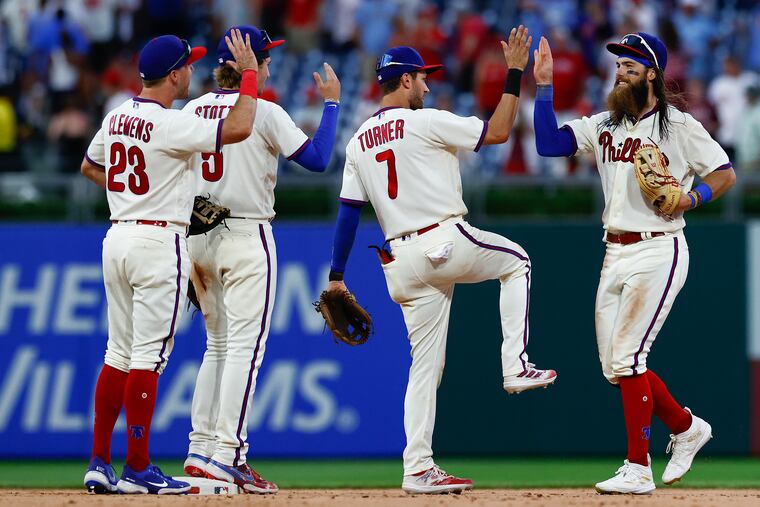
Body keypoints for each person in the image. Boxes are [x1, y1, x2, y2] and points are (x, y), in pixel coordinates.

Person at [328, 26, 557, 495]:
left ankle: (418, 467)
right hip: (442, 241)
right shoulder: (426, 120)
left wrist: (336, 276)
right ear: (407, 80)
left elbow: (348, 213)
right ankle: (515, 364)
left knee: (424, 367)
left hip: (399, 261)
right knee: (518, 261)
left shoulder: (358, 142)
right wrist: (515, 72)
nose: (428, 85)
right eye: (422, 78)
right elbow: (497, 131)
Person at [533, 32, 736, 494]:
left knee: (628, 357)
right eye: (619, 63)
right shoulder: (605, 124)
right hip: (614, 250)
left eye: (630, 64)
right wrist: (544, 87)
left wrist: (690, 197)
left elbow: (724, 173)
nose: (620, 70)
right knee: (615, 366)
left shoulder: (677, 126)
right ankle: (686, 428)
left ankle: (638, 466)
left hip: (658, 246)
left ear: (652, 73)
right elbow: (548, 144)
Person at [79, 29, 259, 495]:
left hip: (117, 237)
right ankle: (138, 467)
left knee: (116, 352)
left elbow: (88, 165)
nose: (193, 72)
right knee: (147, 358)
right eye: (189, 66)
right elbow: (238, 128)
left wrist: (131, 196)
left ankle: (100, 462)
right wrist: (251, 75)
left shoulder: (117, 115)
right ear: (175, 74)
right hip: (158, 242)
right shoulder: (170, 122)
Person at [180, 25, 341, 494]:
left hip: (197, 236)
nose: (269, 64)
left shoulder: (192, 109)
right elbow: (317, 159)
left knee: (217, 347)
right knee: (245, 350)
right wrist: (331, 105)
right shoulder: (264, 112)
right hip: (246, 234)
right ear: (255, 65)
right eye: (265, 58)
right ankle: (227, 455)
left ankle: (200, 449)